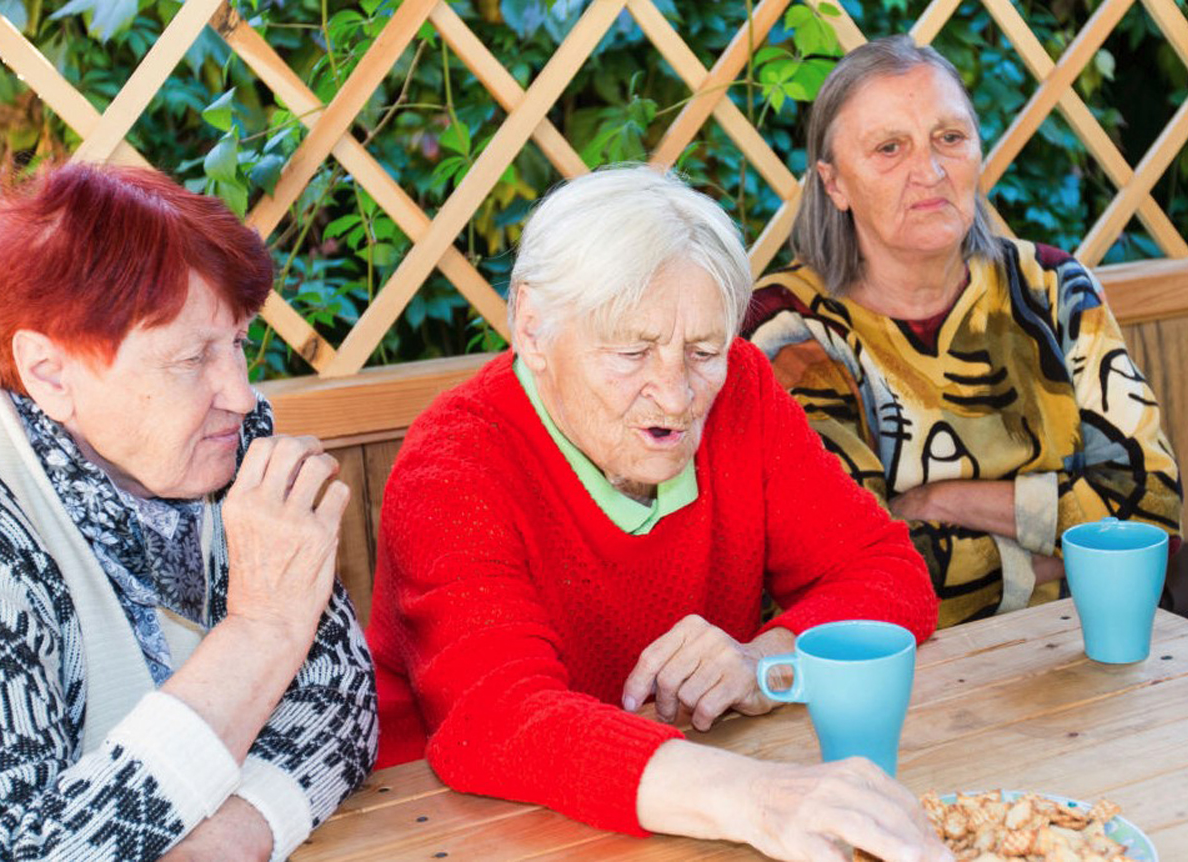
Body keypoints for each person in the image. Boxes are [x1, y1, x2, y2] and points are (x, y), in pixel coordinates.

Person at [368, 166, 951, 862]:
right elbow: (497, 718)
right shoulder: (454, 462)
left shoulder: (741, 390)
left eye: (702, 351)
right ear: (531, 328)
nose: (675, 397)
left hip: (676, 810)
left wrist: (767, 660)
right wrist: (759, 798)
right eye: (631, 351)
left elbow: (887, 573)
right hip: (447, 828)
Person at [0, 163, 377, 861]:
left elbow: (341, 702)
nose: (242, 395)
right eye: (193, 358)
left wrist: (236, 833)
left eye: (240, 344)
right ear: (49, 373)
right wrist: (260, 633)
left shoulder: (222, 447)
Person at [746, 36, 1182, 628]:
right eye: (889, 148)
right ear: (834, 183)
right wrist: (1060, 555)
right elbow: (849, 577)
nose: (928, 172)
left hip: (1092, 640)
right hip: (910, 678)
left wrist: (940, 501)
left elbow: (1152, 515)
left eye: (949, 138)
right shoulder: (791, 329)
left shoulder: (1051, 289)